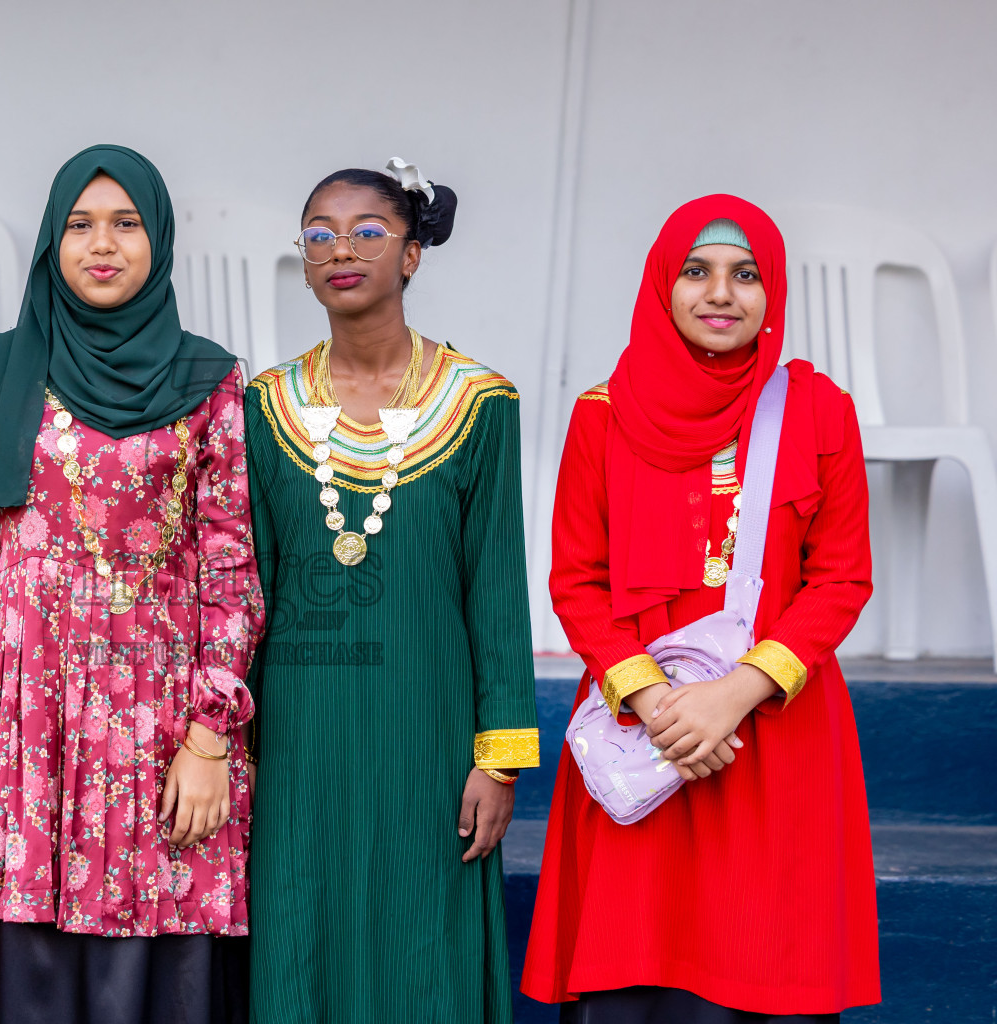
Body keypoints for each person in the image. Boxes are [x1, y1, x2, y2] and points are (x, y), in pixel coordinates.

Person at [522, 195, 879, 1022]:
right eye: (697, 271)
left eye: (745, 275)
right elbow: (577, 579)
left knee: (762, 955)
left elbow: (841, 579)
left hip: (772, 733)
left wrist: (736, 693)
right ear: (662, 284)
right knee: (635, 965)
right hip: (642, 731)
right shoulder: (602, 416)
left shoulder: (818, 411)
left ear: (773, 291)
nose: (721, 293)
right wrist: (651, 698)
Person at [0, 144, 263, 1024]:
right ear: (50, 241)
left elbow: (231, 565)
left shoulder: (208, 380)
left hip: (157, 708)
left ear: (159, 240)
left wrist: (210, 738)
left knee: (159, 917)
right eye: (79, 225)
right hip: (25, 715)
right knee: (23, 945)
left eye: (126, 224)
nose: (101, 245)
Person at [244, 160, 539, 1024]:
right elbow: (249, 585)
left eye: (368, 232)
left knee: (424, 947)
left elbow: (497, 588)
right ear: (302, 261)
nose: (342, 250)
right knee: (302, 932)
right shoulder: (265, 406)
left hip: (432, 733)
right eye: (320, 236)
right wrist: (240, 742)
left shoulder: (480, 402)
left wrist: (499, 757)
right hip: (299, 737)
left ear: (412, 254)